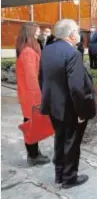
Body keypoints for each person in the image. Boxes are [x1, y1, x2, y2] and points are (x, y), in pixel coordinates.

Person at [39, 19, 96, 189]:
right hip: (69, 108)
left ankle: (59, 175)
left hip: (53, 105)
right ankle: (69, 178)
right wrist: (82, 112)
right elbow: (77, 88)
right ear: (71, 35)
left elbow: (42, 79)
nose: (79, 34)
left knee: (60, 139)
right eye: (77, 31)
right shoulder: (73, 54)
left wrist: (48, 99)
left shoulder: (47, 50)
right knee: (71, 143)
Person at [15, 22, 51, 166]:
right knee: (31, 125)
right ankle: (33, 155)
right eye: (36, 32)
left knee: (31, 124)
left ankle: (34, 152)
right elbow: (31, 78)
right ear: (29, 33)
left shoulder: (26, 49)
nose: (38, 34)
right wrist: (39, 99)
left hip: (28, 94)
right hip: (31, 95)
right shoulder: (28, 52)